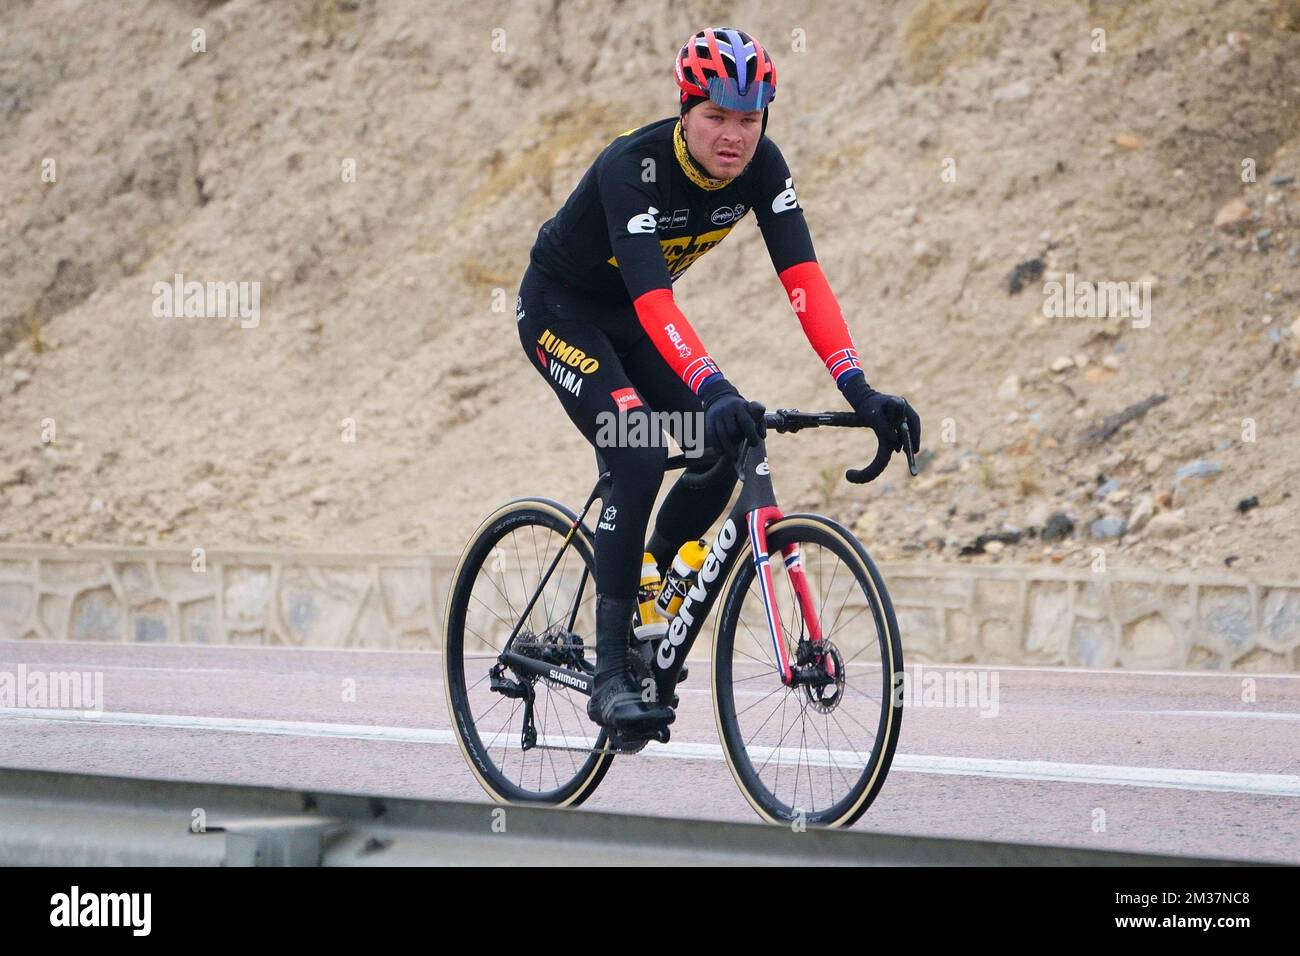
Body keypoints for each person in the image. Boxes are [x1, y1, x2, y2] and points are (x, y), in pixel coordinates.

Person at [515, 27, 921, 737]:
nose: (734, 136)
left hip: (636, 320)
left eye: (749, 119)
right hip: (561, 311)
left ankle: (647, 579)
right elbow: (654, 300)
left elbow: (805, 283)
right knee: (638, 448)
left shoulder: (763, 167)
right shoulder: (633, 167)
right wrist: (713, 386)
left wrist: (861, 391)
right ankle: (610, 674)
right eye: (716, 117)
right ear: (684, 109)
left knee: (718, 448)